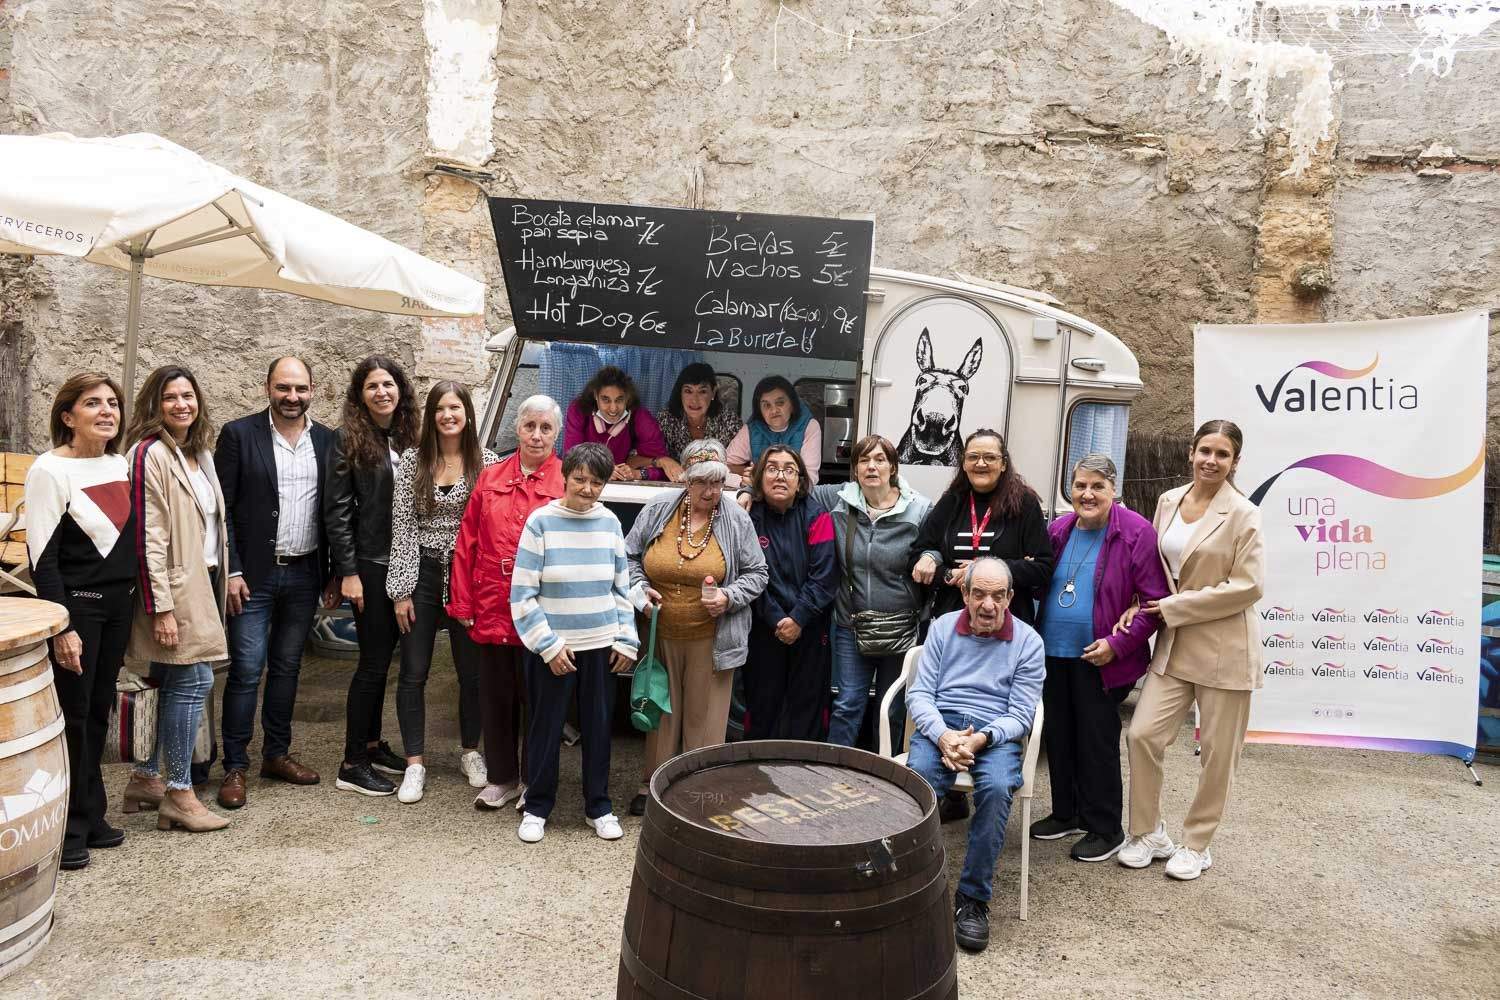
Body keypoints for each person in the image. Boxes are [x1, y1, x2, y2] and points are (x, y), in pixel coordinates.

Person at [1120, 420, 1265, 881]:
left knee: (1218, 754)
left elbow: (1249, 586)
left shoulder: (1244, 514)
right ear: (1190, 452)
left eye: (1222, 454)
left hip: (1225, 648)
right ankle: (1147, 832)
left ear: (1235, 462)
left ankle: (1197, 844)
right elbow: (1156, 567)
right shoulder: (1168, 501)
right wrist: (1136, 603)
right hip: (1173, 642)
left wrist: (1173, 606)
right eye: (1205, 450)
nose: (1211, 460)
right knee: (1142, 734)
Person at [1030, 454, 1169, 863]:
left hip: (1101, 657)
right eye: (1080, 486)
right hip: (1054, 652)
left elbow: (1154, 602)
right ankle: (1066, 812)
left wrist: (1117, 643)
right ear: (1069, 490)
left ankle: (1105, 827)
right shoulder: (1059, 529)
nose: (1087, 495)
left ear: (1114, 491)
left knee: (1096, 741)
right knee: (1059, 733)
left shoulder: (1136, 532)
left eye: (1097, 487)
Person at [214, 357, 338, 809]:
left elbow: (334, 511)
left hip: (305, 573)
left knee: (288, 668)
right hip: (254, 577)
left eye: (300, 389)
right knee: (247, 670)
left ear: (312, 390)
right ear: (267, 386)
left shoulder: (327, 440)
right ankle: (234, 765)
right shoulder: (238, 435)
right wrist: (232, 569)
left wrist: (335, 573)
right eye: (283, 388)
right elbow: (221, 509)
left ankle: (276, 754)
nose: (292, 397)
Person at [24, 373, 136, 870]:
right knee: (72, 715)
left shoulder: (118, 462)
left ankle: (93, 815)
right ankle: (67, 828)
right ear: (68, 416)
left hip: (119, 607)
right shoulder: (48, 470)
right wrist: (61, 626)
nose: (107, 411)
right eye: (93, 403)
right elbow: (42, 558)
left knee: (98, 711)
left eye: (112, 402)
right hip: (79, 609)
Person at [905, 557, 1044, 954]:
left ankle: (972, 900)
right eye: (979, 593)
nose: (988, 605)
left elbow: (1021, 714)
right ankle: (915, 886)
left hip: (994, 731)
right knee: (918, 784)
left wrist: (982, 738)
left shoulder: (1029, 642)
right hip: (943, 726)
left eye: (998, 596)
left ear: (1010, 597)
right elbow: (920, 693)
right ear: (964, 594)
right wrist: (944, 735)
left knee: (999, 788)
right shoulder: (943, 627)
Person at [624, 439, 768, 816]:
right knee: (659, 714)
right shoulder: (658, 510)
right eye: (702, 482)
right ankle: (653, 786)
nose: (711, 491)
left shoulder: (737, 519)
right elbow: (628, 556)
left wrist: (728, 596)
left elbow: (758, 574)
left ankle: (699, 793)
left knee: (704, 722)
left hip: (712, 640)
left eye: (718, 483)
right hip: (660, 635)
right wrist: (640, 590)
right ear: (685, 480)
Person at [120, 366, 231, 834]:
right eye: (170, 397)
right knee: (194, 681)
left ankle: (146, 778)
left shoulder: (193, 453)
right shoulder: (149, 453)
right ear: (154, 404)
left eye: (188, 395)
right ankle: (180, 794)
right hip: (172, 588)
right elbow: (147, 534)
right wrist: (159, 606)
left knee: (171, 680)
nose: (182, 404)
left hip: (198, 582)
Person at [509, 443, 638, 844]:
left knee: (599, 728)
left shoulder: (611, 524)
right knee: (545, 728)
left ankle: (598, 806)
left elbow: (621, 587)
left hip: (600, 644)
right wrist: (548, 645)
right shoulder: (541, 522)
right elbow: (523, 593)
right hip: (554, 647)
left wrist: (626, 638)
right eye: (579, 479)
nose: (586, 488)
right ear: (565, 476)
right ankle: (537, 806)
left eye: (596, 482)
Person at [449, 395, 565, 810]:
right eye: (530, 426)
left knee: (538, 700)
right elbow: (467, 542)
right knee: (495, 696)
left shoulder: (566, 482)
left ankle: (535, 781)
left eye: (546, 428)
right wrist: (461, 603)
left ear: (557, 433)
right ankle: (502, 778)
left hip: (541, 611)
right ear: (517, 429)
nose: (536, 435)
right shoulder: (491, 476)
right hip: (493, 604)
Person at [385, 381, 498, 803]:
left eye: (456, 408)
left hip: (470, 576)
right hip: (424, 573)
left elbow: (493, 528)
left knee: (473, 673)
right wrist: (400, 590)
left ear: (468, 413)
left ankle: (470, 750)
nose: (448, 415)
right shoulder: (414, 462)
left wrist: (487, 587)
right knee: (414, 671)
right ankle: (415, 763)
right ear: (431, 415)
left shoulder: (486, 463)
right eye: (440, 409)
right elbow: (402, 529)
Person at [326, 355, 420, 797]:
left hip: (405, 561)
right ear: (360, 395)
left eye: (388, 384)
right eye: (372, 386)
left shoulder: (408, 436)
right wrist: (348, 572)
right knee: (371, 664)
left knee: (386, 662)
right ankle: (352, 762)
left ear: (400, 390)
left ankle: (371, 742)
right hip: (370, 565)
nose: (381, 392)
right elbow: (338, 510)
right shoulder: (347, 439)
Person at [811, 434, 933, 749]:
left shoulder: (919, 508)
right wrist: (746, 491)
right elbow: (792, 489)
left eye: (879, 459)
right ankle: (834, 773)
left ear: (892, 467)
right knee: (848, 703)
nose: (871, 466)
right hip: (852, 624)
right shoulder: (838, 498)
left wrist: (931, 557)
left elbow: (937, 546)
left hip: (900, 627)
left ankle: (887, 777)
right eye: (864, 460)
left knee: (892, 707)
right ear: (854, 470)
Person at [912, 428, 1053, 626]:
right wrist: (946, 573)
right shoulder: (951, 502)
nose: (980, 463)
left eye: (989, 457)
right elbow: (916, 556)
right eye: (973, 457)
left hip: (1006, 623)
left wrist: (982, 571)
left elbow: (1042, 568)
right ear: (964, 463)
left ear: (1003, 464)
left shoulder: (1024, 504)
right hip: (952, 622)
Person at [744, 446, 837, 740]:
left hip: (809, 628)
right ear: (759, 478)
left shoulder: (817, 516)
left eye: (789, 470)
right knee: (762, 707)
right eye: (772, 468)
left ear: (800, 480)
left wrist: (798, 619)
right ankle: (757, 776)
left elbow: (824, 577)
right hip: (763, 627)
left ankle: (803, 777)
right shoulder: (748, 517)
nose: (780, 476)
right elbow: (746, 574)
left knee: (807, 709)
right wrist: (775, 619)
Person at [562, 365, 669, 481]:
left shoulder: (642, 419)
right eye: (605, 399)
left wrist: (636, 474)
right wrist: (600, 470)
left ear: (627, 398)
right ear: (595, 396)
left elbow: (663, 468)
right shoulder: (579, 410)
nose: (613, 408)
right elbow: (570, 460)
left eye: (619, 400)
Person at [654, 362, 742, 483]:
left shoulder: (729, 421)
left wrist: (708, 470)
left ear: (713, 392)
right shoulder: (666, 419)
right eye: (688, 391)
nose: (694, 400)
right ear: (680, 393)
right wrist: (662, 461)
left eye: (702, 392)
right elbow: (633, 459)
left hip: (716, 490)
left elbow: (747, 468)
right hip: (676, 489)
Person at [726, 376, 822, 484]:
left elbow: (809, 478)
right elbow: (725, 466)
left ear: (792, 404)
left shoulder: (809, 426)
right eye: (766, 405)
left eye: (780, 403)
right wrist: (749, 477)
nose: (774, 410)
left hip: (795, 496)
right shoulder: (751, 429)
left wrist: (762, 479)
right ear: (759, 410)